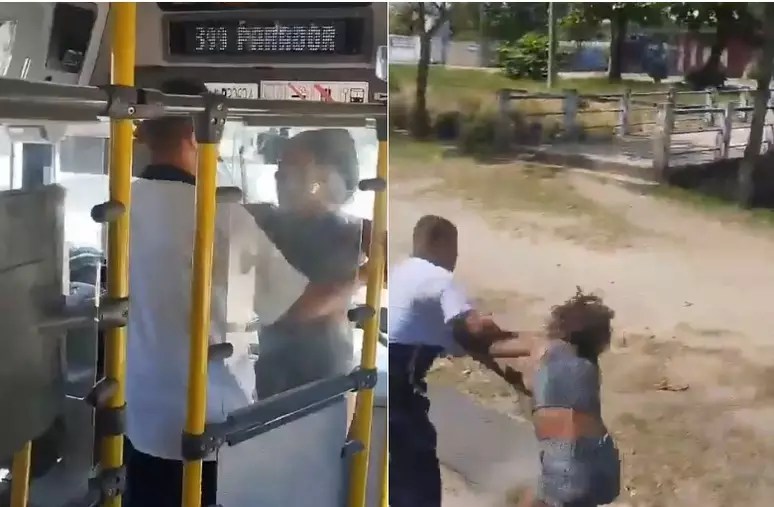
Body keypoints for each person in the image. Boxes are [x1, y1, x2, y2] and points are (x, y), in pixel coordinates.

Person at [124, 78, 318, 507]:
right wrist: (364, 273)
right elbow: (297, 306)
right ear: (198, 134)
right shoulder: (223, 218)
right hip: (207, 423)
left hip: (139, 418)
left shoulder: (121, 205)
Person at [388, 215, 530, 507]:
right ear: (437, 242)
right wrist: (518, 338)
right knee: (418, 474)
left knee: (399, 471)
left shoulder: (400, 273)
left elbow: (469, 345)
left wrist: (510, 377)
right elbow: (474, 331)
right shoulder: (439, 278)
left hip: (384, 381)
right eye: (454, 250)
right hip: (401, 388)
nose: (455, 259)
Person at [245, 128, 374, 399]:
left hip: (326, 380)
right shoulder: (264, 220)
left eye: (294, 170)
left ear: (328, 178)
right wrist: (363, 275)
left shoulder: (357, 233)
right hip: (268, 374)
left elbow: (300, 308)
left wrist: (369, 272)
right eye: (280, 169)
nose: (281, 177)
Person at [512, 289, 621, 507]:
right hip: (603, 458)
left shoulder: (542, 349)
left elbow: (525, 379)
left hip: (563, 461)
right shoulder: (590, 364)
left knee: (544, 498)